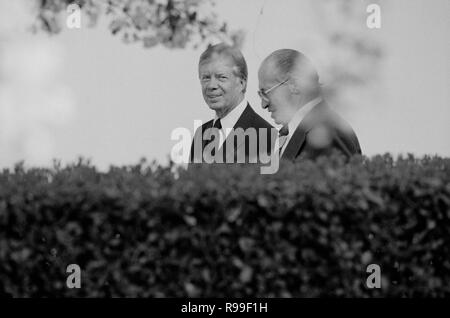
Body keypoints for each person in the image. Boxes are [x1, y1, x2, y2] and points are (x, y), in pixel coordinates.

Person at [258, 49, 361, 162]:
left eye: (266, 93)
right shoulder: (287, 135)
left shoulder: (329, 133)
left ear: (294, 85)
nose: (264, 104)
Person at [190, 43, 274, 165]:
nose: (211, 85)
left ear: (241, 83)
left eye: (221, 77)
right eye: (206, 78)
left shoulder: (266, 137)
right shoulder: (201, 134)